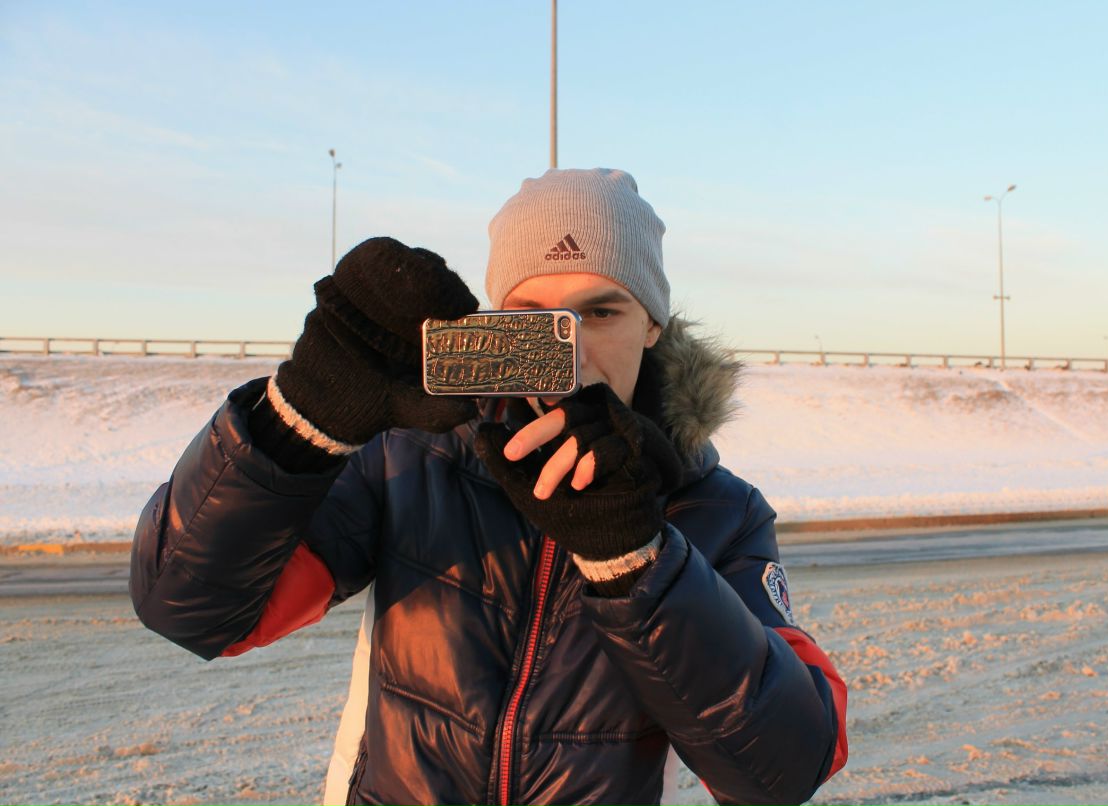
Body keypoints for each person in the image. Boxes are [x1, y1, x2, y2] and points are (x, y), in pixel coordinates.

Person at [130, 168, 848, 806]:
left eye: (600, 312)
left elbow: (782, 772)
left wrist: (634, 557)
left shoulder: (720, 510)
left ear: (655, 325)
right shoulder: (410, 460)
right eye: (532, 321)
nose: (568, 348)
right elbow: (190, 610)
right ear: (492, 323)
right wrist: (299, 422)